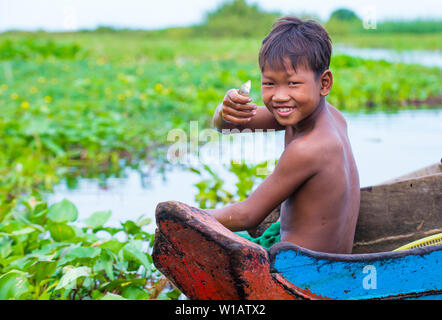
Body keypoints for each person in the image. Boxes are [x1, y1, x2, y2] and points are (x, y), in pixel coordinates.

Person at [206, 16, 360, 254]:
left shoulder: (309, 148)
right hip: (326, 260)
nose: (279, 96)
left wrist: (187, 215)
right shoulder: (327, 116)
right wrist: (224, 110)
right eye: (269, 83)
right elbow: (228, 126)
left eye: (293, 83)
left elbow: (249, 216)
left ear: (324, 83)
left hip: (301, 271)